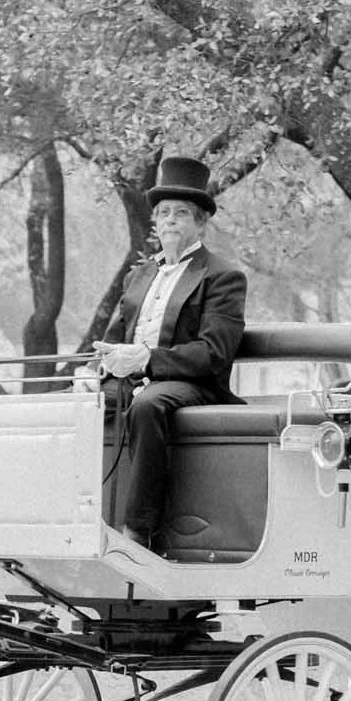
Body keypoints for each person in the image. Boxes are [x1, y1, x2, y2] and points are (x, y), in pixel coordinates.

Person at [95, 155, 247, 550]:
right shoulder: (139, 274)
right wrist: (98, 368)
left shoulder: (221, 276)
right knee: (76, 404)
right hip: (133, 381)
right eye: (163, 213)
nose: (170, 220)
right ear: (155, 223)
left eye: (182, 213)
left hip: (191, 383)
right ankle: (75, 517)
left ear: (201, 223)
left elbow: (214, 353)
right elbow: (116, 338)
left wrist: (146, 360)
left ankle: (139, 530)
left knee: (148, 406)